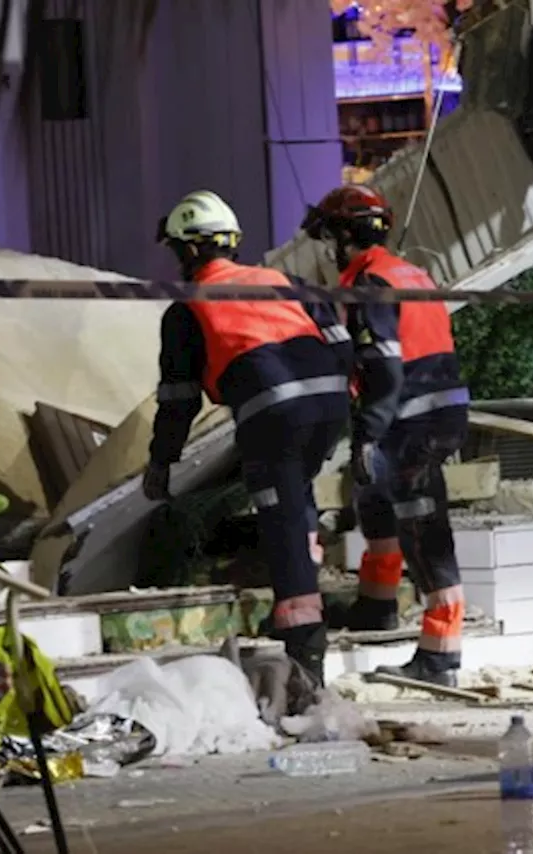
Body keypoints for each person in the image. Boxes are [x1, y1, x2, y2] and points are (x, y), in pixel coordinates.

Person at [142, 190, 352, 685]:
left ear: (189, 250)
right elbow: (340, 345)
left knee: (279, 523)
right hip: (329, 403)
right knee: (296, 499)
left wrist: (161, 462)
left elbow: (179, 399)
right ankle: (293, 608)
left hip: (273, 415)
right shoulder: (283, 281)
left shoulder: (187, 309)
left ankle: (305, 651)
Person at [302, 184, 471, 689]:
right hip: (432, 413)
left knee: (423, 532)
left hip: (410, 421)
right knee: (374, 499)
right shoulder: (408, 272)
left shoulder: (370, 283)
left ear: (344, 236)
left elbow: (385, 368)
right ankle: (376, 607)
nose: (329, 248)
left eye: (331, 236)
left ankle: (441, 658)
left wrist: (368, 434)